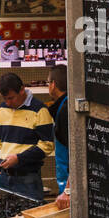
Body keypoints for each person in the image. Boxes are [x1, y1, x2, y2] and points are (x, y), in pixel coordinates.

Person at [0, 72, 55, 203]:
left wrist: (19, 159)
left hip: (28, 179)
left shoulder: (40, 110)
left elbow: (47, 145)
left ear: (22, 90)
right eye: (5, 99)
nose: (8, 103)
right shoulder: (2, 109)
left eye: (11, 98)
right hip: (3, 177)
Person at [47, 65, 69, 194]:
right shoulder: (63, 106)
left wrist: (68, 191)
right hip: (66, 181)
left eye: (48, 82)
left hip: (68, 184)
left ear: (53, 84)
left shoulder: (65, 110)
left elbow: (74, 153)